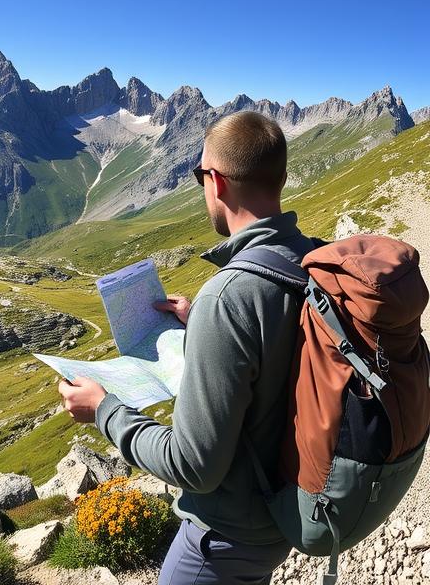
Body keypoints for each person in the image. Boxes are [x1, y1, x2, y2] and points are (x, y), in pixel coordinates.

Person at [59, 111, 317, 585]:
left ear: (215, 182)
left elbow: (193, 465)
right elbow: (277, 344)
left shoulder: (231, 295)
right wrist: (201, 316)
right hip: (282, 511)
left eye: (200, 175)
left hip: (226, 536)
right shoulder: (310, 257)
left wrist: (104, 410)